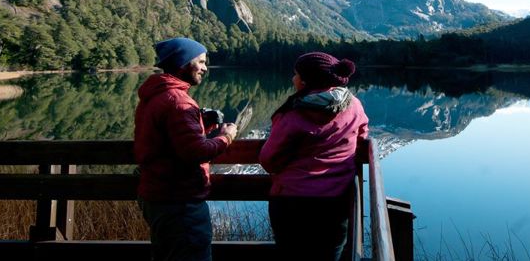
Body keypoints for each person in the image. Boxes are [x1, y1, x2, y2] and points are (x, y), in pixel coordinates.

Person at [134, 37, 238, 261]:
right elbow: (195, 151)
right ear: (183, 63)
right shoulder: (178, 102)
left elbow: (169, 140)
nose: (205, 67)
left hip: (158, 195)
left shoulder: (157, 95)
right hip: (180, 202)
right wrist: (225, 137)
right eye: (200, 62)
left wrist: (203, 124)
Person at [258, 52, 369, 261]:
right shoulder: (353, 105)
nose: (293, 79)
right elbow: (362, 135)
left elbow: (268, 159)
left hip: (292, 203)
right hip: (336, 202)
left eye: (296, 75)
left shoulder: (293, 114)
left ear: (306, 81)